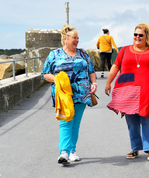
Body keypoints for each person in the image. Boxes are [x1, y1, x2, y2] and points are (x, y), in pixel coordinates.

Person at [105, 22, 149, 161]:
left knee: (148, 119)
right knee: (132, 121)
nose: (137, 37)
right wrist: (108, 82)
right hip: (128, 91)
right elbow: (115, 66)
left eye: (141, 35)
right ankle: (135, 148)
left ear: (147, 37)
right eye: (135, 34)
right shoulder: (124, 50)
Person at [41, 25, 97, 165]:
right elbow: (45, 74)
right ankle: (63, 152)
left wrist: (94, 83)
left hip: (82, 93)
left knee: (75, 124)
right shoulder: (54, 54)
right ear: (65, 39)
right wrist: (59, 80)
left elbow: (91, 70)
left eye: (78, 38)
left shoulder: (83, 53)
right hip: (63, 94)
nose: (77, 40)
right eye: (74, 38)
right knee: (65, 122)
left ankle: (72, 151)